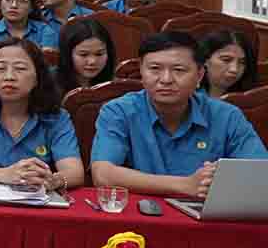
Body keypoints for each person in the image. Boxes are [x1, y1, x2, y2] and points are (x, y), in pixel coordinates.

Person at [90, 32, 268, 197]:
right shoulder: (119, 111)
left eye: (179, 70)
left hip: (206, 218)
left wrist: (219, 178)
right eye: (155, 69)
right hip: (138, 218)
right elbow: (103, 174)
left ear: (199, 75)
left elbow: (260, 173)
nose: (166, 79)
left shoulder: (227, 116)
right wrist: (185, 185)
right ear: (141, 72)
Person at [0, 39, 84, 190]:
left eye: (20, 69)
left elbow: (75, 172)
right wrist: (6, 175)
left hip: (36, 202)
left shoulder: (57, 118)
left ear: (37, 78)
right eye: (1, 69)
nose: (9, 76)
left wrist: (54, 181)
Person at [54, 18, 116, 93]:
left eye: (99, 54)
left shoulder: (116, 86)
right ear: (67, 54)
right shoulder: (50, 84)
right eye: (83, 55)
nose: (92, 61)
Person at [198, 30, 258, 99]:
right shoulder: (188, 94)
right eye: (226, 60)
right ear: (206, 60)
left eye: (242, 62)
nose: (234, 69)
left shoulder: (253, 98)